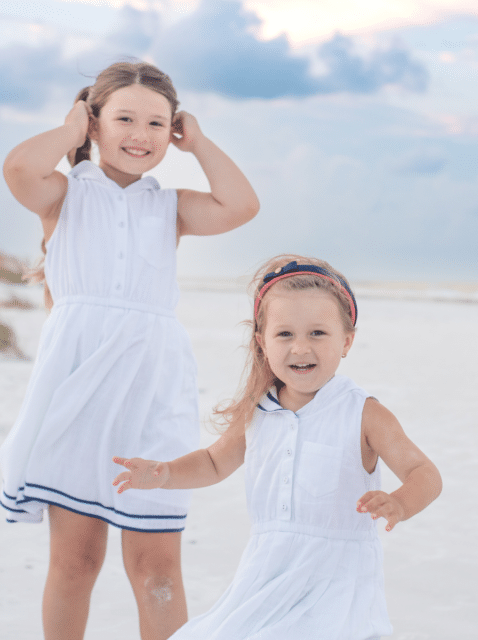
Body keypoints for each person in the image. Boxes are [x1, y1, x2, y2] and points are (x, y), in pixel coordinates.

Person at [0, 61, 259, 640]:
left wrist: (202, 143)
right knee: (75, 561)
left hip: (151, 393)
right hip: (79, 390)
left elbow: (241, 206)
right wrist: (70, 132)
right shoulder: (63, 195)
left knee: (157, 566)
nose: (140, 135)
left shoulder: (168, 207)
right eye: (123, 119)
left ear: (173, 131)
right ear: (94, 122)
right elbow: (17, 167)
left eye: (156, 123)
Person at [113, 255, 442, 640]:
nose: (301, 348)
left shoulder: (363, 413)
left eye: (318, 333)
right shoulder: (259, 411)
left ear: (347, 341)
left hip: (334, 581)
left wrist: (400, 503)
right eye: (285, 335)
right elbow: (213, 462)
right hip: (266, 576)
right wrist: (165, 473)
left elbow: (426, 474)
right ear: (262, 343)